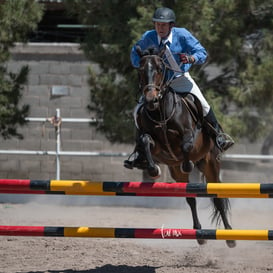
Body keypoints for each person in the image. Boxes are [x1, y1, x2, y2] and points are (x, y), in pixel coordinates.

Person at [124, 7, 234, 170]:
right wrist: (141, 61)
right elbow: (134, 53)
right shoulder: (148, 37)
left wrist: (191, 57)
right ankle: (140, 152)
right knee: (137, 111)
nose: (160, 28)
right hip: (156, 84)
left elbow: (201, 52)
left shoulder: (182, 35)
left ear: (171, 26)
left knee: (203, 104)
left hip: (179, 79)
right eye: (157, 25)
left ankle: (219, 136)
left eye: (163, 25)